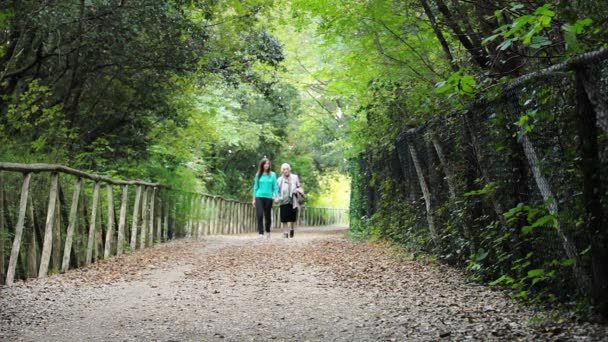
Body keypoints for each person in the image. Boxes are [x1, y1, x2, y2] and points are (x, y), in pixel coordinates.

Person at [252, 158, 279, 239]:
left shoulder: (273, 175)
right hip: (259, 196)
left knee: (267, 216)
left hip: (269, 197)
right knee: (259, 215)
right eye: (265, 164)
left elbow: (275, 187)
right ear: (262, 165)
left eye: (268, 164)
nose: (266, 165)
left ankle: (268, 231)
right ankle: (261, 233)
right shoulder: (258, 174)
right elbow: (255, 187)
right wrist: (253, 199)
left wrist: (276, 196)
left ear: (269, 165)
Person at [277, 163, 304, 238]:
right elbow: (277, 190)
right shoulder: (279, 179)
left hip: (293, 200)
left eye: (287, 169)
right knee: (284, 217)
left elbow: (299, 187)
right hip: (283, 200)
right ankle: (285, 232)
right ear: (282, 171)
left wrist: (297, 191)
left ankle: (292, 229)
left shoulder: (295, 177)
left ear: (289, 169)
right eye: (284, 169)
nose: (286, 171)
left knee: (292, 217)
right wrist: (276, 197)